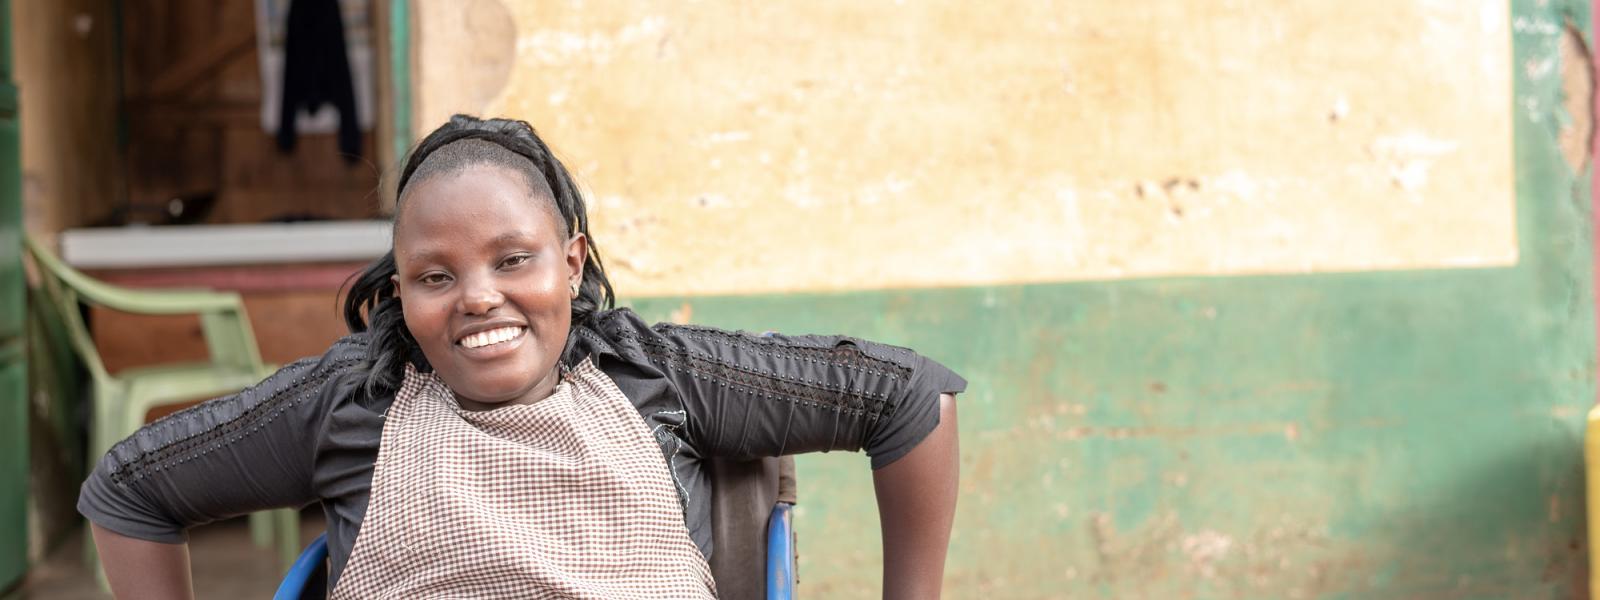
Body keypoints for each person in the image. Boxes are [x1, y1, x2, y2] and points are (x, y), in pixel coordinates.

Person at [78, 115, 965, 599]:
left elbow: (910, 398)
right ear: (399, 292)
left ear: (571, 265)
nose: (477, 297)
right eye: (435, 275)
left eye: (513, 260)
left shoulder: (662, 376)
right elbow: (130, 490)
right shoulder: (352, 403)